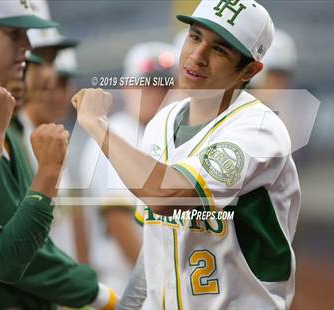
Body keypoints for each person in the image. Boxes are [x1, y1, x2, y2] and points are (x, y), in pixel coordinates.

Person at [72, 0, 301, 309]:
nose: (197, 56)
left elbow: (165, 195)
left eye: (219, 49)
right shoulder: (163, 123)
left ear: (249, 69)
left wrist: (96, 125)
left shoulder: (258, 129)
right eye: (195, 37)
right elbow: (154, 249)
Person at [0, 1, 116, 309]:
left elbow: (43, 246)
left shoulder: (10, 130)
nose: (29, 49)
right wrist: (101, 295)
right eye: (15, 34)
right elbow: (5, 261)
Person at [79, 41, 175, 294]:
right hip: (127, 287)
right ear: (127, 87)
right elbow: (118, 221)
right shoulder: (118, 133)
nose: (156, 93)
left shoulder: (163, 137)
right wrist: (161, 287)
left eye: (164, 85)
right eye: (148, 84)